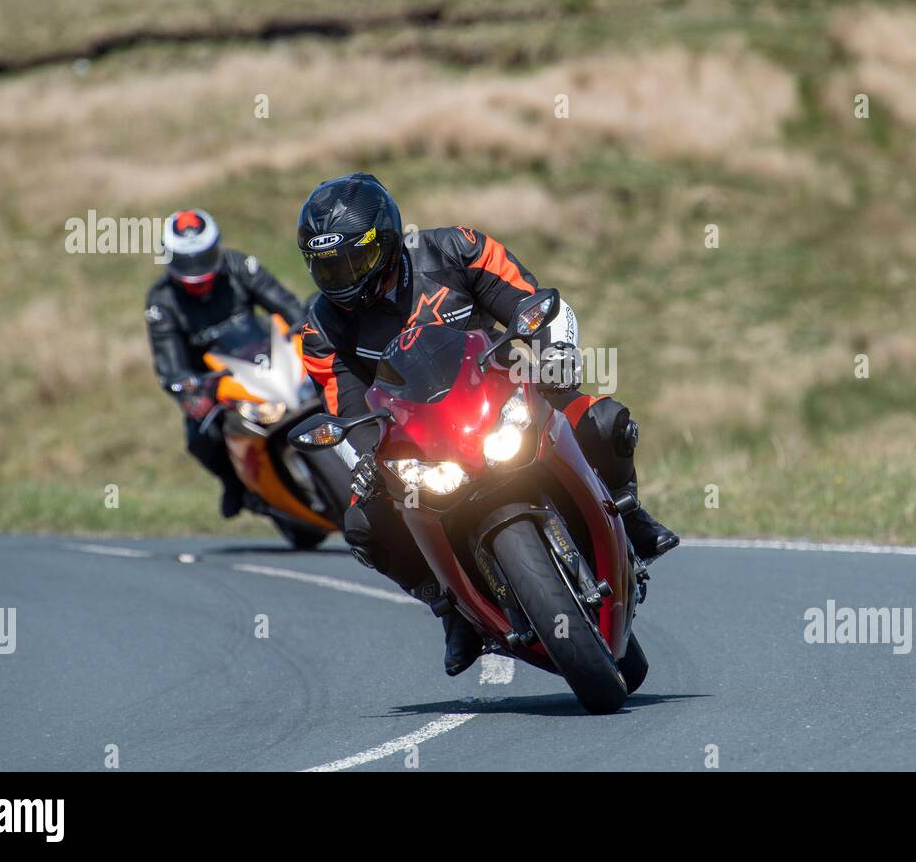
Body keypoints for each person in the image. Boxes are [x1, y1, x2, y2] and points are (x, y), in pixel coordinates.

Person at [296, 173, 678, 675]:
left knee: (605, 420)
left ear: (386, 243)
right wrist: (366, 458)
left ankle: (631, 517)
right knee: (364, 525)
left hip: (507, 397)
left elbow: (538, 303)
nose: (343, 279)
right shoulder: (319, 328)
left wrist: (557, 352)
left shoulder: (457, 248)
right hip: (422, 440)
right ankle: (449, 607)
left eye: (354, 261)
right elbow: (345, 409)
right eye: (328, 269)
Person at [145, 208, 306, 518]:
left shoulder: (238, 266)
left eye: (203, 257)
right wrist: (189, 392)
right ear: (169, 258)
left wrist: (306, 326)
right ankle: (235, 484)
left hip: (271, 360)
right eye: (186, 261)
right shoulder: (161, 302)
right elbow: (169, 365)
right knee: (199, 438)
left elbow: (286, 303)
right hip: (219, 384)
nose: (197, 271)